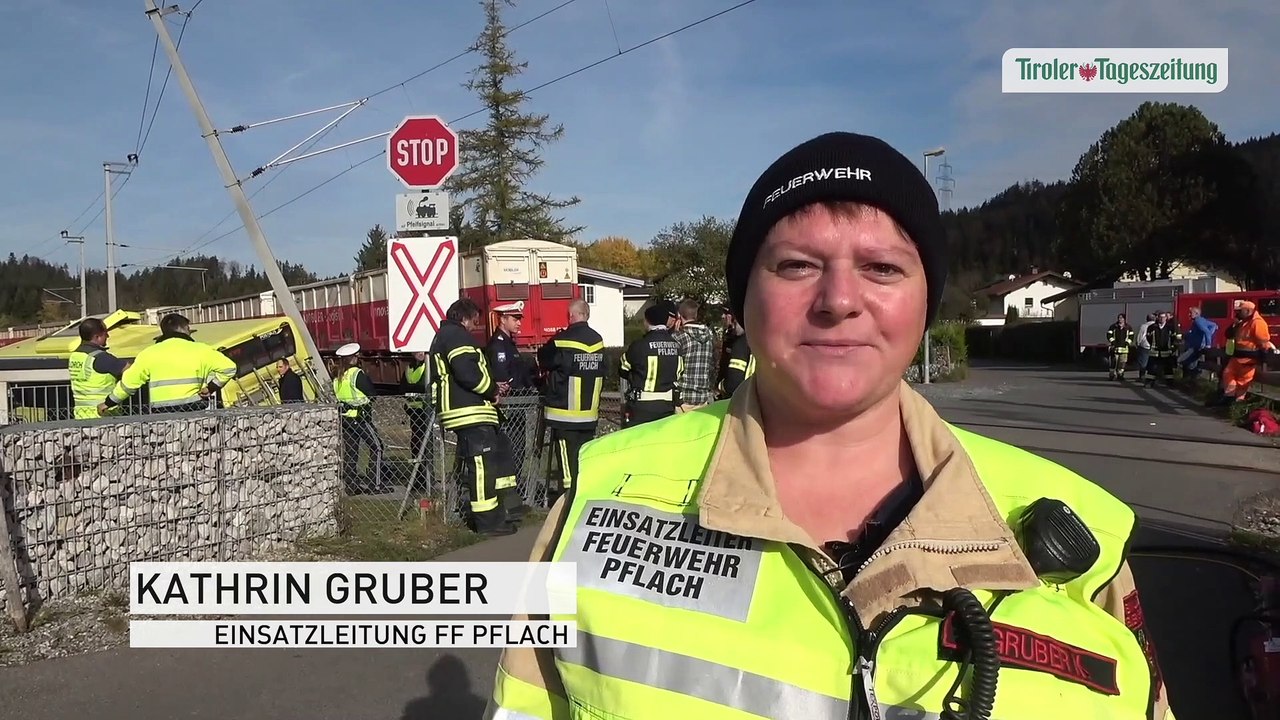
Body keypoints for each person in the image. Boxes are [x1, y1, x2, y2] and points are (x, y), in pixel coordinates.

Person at [488, 131, 1173, 720]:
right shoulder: (603, 496)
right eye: (796, 265)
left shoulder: (1080, 536)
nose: (839, 300)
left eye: (881, 267)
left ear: (925, 303)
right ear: (744, 299)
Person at [429, 298, 521, 535]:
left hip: (471, 411)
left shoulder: (446, 336)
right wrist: (491, 389)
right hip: (469, 411)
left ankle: (505, 509)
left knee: (496, 454)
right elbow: (466, 372)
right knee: (482, 466)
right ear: (463, 318)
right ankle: (488, 522)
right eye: (474, 322)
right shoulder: (457, 337)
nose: (474, 327)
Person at [536, 298, 606, 506]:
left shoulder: (562, 341)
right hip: (589, 414)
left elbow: (545, 358)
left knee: (566, 463)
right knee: (583, 457)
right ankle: (584, 496)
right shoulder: (598, 341)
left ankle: (568, 502)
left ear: (571, 316)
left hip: (564, 414)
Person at [99, 313, 237, 416]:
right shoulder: (201, 349)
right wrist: (211, 388)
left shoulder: (149, 353)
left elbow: (128, 384)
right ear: (184, 329)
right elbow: (230, 368)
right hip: (192, 409)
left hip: (161, 411)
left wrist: (109, 403)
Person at [487, 301, 534, 488]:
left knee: (518, 447)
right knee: (510, 447)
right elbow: (502, 376)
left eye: (519, 319)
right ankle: (508, 489)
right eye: (515, 319)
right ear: (503, 319)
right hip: (508, 406)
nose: (519, 323)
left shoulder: (509, 344)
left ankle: (514, 485)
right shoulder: (499, 345)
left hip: (516, 405)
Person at [333, 343, 388, 495]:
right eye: (355, 356)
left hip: (345, 418)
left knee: (351, 452)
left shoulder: (338, 376)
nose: (357, 358)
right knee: (377, 447)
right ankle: (375, 484)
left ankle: (351, 486)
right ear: (351, 359)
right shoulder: (357, 374)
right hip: (360, 417)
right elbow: (371, 393)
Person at [619, 301, 682, 428]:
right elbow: (680, 372)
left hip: (641, 408)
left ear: (648, 322)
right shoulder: (676, 345)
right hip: (667, 406)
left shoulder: (639, 345)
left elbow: (623, 369)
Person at [1209, 299, 1278, 406]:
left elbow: (1263, 343)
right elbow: (1229, 335)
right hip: (1237, 357)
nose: (1238, 313)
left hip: (1248, 360)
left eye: (1240, 311)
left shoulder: (1257, 323)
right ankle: (1229, 398)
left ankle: (1237, 403)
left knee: (1243, 382)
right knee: (1227, 374)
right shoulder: (1243, 322)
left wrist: (1264, 358)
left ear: (1248, 311)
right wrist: (1235, 323)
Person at [68, 318, 129, 419]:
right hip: (103, 416)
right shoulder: (101, 358)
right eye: (105, 333)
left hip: (81, 415)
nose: (108, 336)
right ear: (97, 336)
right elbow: (131, 371)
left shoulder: (75, 356)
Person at [671, 299, 715, 411]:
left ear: (679, 316)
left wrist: (674, 333)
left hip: (683, 398)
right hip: (703, 397)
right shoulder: (709, 336)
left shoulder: (679, 337)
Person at [400, 351, 432, 492]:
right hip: (414, 412)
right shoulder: (409, 368)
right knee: (416, 445)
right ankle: (419, 478)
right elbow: (403, 388)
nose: (419, 353)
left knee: (425, 446)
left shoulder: (429, 366)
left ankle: (426, 478)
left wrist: (412, 390)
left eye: (421, 350)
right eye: (416, 350)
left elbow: (424, 386)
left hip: (426, 412)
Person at [1178, 305, 1217, 382]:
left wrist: (1208, 344)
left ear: (1196, 313)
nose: (1189, 314)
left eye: (1190, 313)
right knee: (1191, 364)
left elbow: (1206, 331)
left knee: (1181, 360)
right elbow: (1214, 325)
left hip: (1195, 347)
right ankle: (1192, 381)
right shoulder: (1201, 320)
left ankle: (1194, 377)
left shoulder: (1198, 321)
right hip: (1195, 346)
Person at [1144, 311, 1182, 388]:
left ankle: (1170, 383)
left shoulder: (1170, 327)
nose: (1162, 319)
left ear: (1166, 318)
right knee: (1152, 368)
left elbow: (1177, 339)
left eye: (1163, 317)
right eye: (1160, 317)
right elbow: (1148, 338)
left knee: (1168, 369)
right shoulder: (1152, 327)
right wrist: (1153, 345)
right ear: (1157, 318)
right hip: (1154, 352)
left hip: (1167, 352)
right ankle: (1149, 383)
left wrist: (1172, 348)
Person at [1105, 313, 1134, 381]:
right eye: (1119, 318)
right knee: (1113, 363)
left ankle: (1120, 375)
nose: (1120, 319)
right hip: (1115, 348)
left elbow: (1131, 336)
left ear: (1124, 319)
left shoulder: (1128, 327)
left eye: (1121, 318)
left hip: (1124, 349)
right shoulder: (1113, 326)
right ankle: (1112, 375)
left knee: (1122, 363)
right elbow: (1109, 335)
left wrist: (1127, 343)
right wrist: (1113, 342)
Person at [1135, 312, 1156, 383]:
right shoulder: (1156, 326)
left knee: (1143, 363)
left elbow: (1140, 336)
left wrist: (1137, 343)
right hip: (1153, 347)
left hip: (1144, 346)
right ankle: (1152, 378)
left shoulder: (1144, 326)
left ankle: (1142, 377)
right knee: (1152, 363)